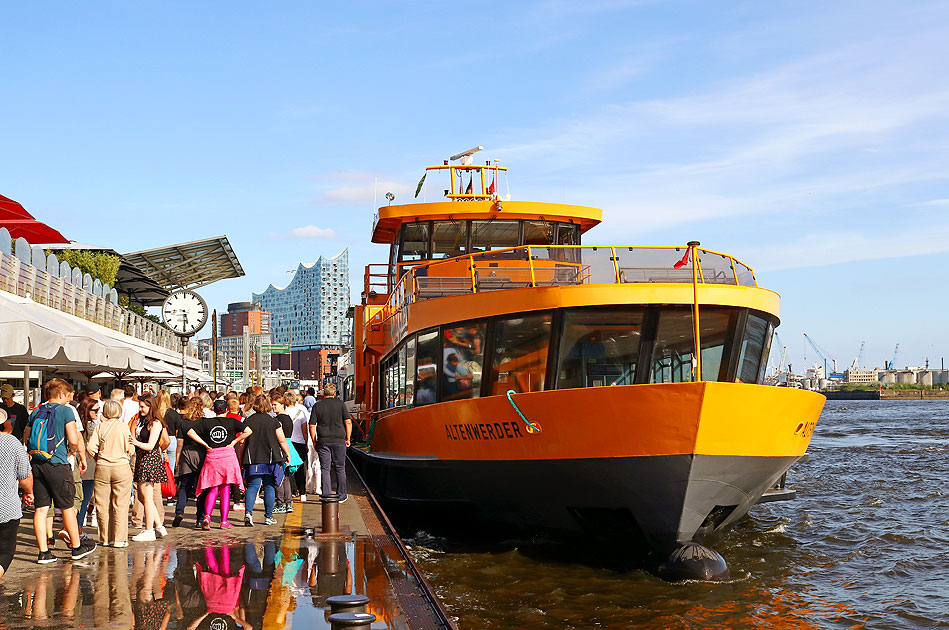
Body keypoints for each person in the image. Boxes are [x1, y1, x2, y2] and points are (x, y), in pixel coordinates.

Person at [24, 378, 97, 563]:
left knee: (41, 509)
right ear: (61, 394)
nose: (68, 400)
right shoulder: (66, 411)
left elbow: (26, 437)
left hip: (38, 463)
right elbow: (73, 439)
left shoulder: (36, 411)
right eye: (67, 396)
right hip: (58, 464)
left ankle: (44, 553)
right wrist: (73, 453)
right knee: (67, 506)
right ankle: (76, 547)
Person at [188, 399, 250, 530]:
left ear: (214, 410)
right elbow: (249, 430)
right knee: (225, 490)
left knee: (212, 488)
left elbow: (190, 432)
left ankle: (207, 517)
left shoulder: (206, 422)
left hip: (212, 456)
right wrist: (234, 441)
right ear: (227, 409)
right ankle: (224, 521)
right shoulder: (232, 421)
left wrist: (205, 444)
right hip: (228, 456)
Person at [86, 399, 133, 547]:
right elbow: (131, 449)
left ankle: (104, 538)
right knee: (120, 504)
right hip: (121, 467)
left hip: (103, 467)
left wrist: (98, 457)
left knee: (102, 504)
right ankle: (119, 539)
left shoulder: (100, 427)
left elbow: (90, 447)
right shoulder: (124, 427)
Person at [241, 395, 292, 526]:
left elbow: (242, 441)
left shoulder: (248, 420)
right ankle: (268, 517)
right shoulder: (273, 421)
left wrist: (241, 457)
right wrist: (287, 454)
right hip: (271, 458)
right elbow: (281, 440)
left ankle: (248, 513)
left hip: (253, 457)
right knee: (269, 486)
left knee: (252, 486)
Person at [130, 394, 168, 542]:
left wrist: (135, 442)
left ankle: (149, 530)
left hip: (149, 459)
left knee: (146, 496)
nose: (141, 409)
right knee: (143, 496)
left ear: (151, 406)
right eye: (140, 406)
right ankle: (158, 526)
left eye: (143, 406)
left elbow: (151, 445)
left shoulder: (156, 423)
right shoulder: (142, 421)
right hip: (142, 459)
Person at [0, 410, 33, 580]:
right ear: (5, 424)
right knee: (5, 551)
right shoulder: (12, 443)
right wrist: (29, 493)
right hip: (6, 507)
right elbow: (25, 476)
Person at [309, 383, 352, 503]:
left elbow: (312, 426)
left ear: (323, 394)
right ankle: (342, 495)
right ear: (334, 394)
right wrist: (348, 438)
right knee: (340, 468)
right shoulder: (341, 404)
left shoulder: (317, 406)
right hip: (339, 440)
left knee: (325, 469)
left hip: (323, 440)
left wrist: (314, 441)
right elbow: (348, 422)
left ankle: (327, 495)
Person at [173, 398, 208, 529]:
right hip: (201, 455)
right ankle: (200, 518)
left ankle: (180, 511)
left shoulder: (183, 423)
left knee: (184, 486)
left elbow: (179, 443)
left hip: (186, 454)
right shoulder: (204, 423)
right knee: (201, 489)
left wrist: (177, 460)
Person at [77, 398, 100, 528]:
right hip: (89, 467)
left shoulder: (75, 425)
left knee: (75, 500)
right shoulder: (94, 427)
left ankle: (73, 527)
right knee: (84, 499)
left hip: (76, 466)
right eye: (95, 410)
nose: (98, 412)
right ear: (87, 410)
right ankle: (78, 528)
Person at [285, 390, 310, 501]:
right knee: (300, 468)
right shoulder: (302, 410)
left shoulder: (283, 411)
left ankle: (292, 491)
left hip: (286, 442)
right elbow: (305, 430)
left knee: (288, 468)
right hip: (299, 442)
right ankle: (303, 493)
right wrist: (306, 442)